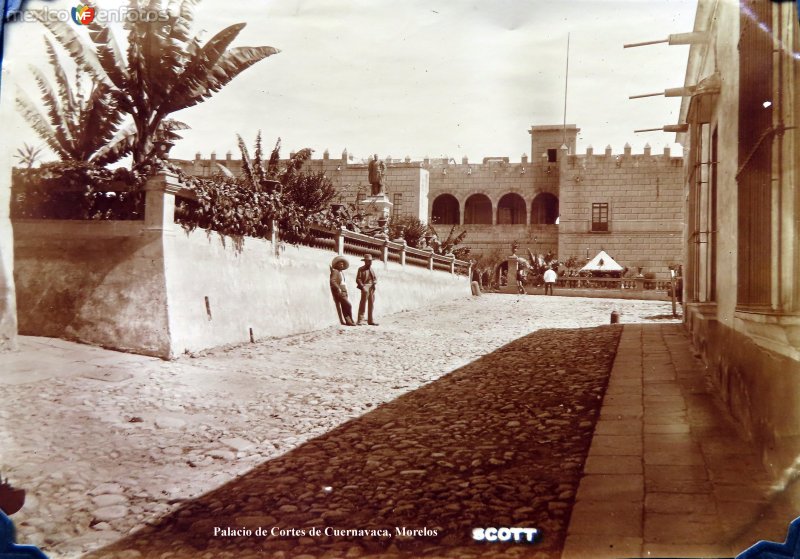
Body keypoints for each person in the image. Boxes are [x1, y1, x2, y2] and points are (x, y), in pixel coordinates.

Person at [329, 256, 356, 326]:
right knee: (349, 305)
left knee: (344, 306)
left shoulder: (341, 272)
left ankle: (349, 321)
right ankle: (350, 320)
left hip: (344, 291)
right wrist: (338, 288)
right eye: (340, 264)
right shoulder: (335, 271)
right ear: (337, 265)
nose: (342, 265)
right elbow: (332, 281)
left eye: (342, 264)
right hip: (340, 292)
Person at [356, 253, 378, 326]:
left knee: (371, 304)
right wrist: (362, 287)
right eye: (369, 261)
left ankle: (370, 320)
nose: (370, 262)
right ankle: (360, 320)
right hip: (365, 286)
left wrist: (375, 282)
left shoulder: (371, 269)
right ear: (365, 261)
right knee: (363, 304)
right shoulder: (361, 269)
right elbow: (358, 279)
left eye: (371, 261)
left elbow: (375, 278)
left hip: (372, 287)